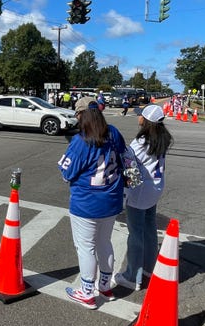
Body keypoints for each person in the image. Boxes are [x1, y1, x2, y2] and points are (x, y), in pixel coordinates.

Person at [57, 96, 127, 309]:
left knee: (86, 247)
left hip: (87, 202)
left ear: (81, 116)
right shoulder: (113, 132)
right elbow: (125, 156)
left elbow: (66, 172)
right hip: (112, 198)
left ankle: (87, 292)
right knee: (104, 242)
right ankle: (105, 286)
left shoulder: (81, 140)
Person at [115, 104, 173, 291]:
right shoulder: (162, 138)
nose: (138, 118)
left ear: (146, 120)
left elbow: (128, 161)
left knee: (136, 234)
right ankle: (149, 267)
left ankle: (133, 276)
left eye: (140, 115)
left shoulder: (141, 142)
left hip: (140, 192)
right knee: (149, 229)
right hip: (154, 189)